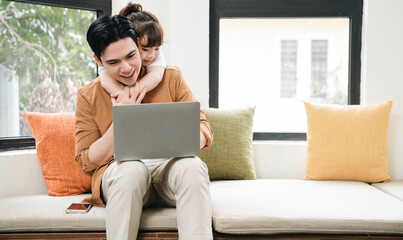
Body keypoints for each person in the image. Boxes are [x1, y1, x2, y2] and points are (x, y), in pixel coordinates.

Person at [75, 15, 214, 240]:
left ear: (139, 45)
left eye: (131, 55)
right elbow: (86, 161)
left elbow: (204, 128)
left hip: (169, 171)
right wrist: (123, 119)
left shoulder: (171, 78)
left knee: (192, 166)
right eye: (114, 62)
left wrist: (187, 140)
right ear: (98, 61)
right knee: (131, 170)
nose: (127, 68)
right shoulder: (88, 95)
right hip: (122, 175)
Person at [100, 3, 165, 102]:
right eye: (145, 49)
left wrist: (132, 93)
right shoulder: (111, 56)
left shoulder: (159, 59)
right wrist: (122, 95)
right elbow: (105, 80)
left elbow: (156, 76)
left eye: (157, 48)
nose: (151, 55)